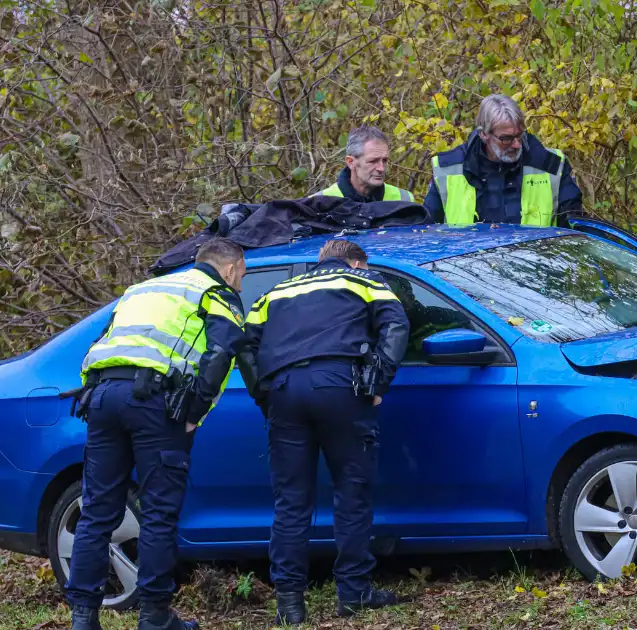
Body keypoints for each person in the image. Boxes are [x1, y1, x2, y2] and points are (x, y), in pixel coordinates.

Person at [66, 238, 260, 630]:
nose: (242, 282)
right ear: (229, 268)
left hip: (103, 397)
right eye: (242, 274)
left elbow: (101, 343)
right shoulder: (215, 293)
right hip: (154, 404)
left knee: (98, 511)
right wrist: (195, 411)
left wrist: (92, 390)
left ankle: (83, 617)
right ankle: (154, 617)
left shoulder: (141, 290)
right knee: (158, 512)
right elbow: (222, 352)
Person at [244, 239, 410, 625]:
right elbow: (396, 324)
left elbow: (246, 344)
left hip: (285, 391)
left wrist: (263, 396)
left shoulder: (275, 292)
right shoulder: (362, 280)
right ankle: (353, 593)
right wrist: (377, 383)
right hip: (340, 385)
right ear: (354, 261)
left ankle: (289, 603)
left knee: (291, 501)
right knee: (351, 492)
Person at [424, 93, 583, 227]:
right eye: (506, 139)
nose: (516, 144)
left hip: (535, 262)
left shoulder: (551, 165)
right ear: (484, 134)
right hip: (466, 263)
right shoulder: (447, 168)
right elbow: (427, 233)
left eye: (520, 135)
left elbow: (575, 228)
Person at [317, 125, 416, 203]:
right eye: (372, 161)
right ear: (351, 162)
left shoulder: (404, 199)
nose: (381, 168)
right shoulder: (319, 203)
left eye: (384, 160)